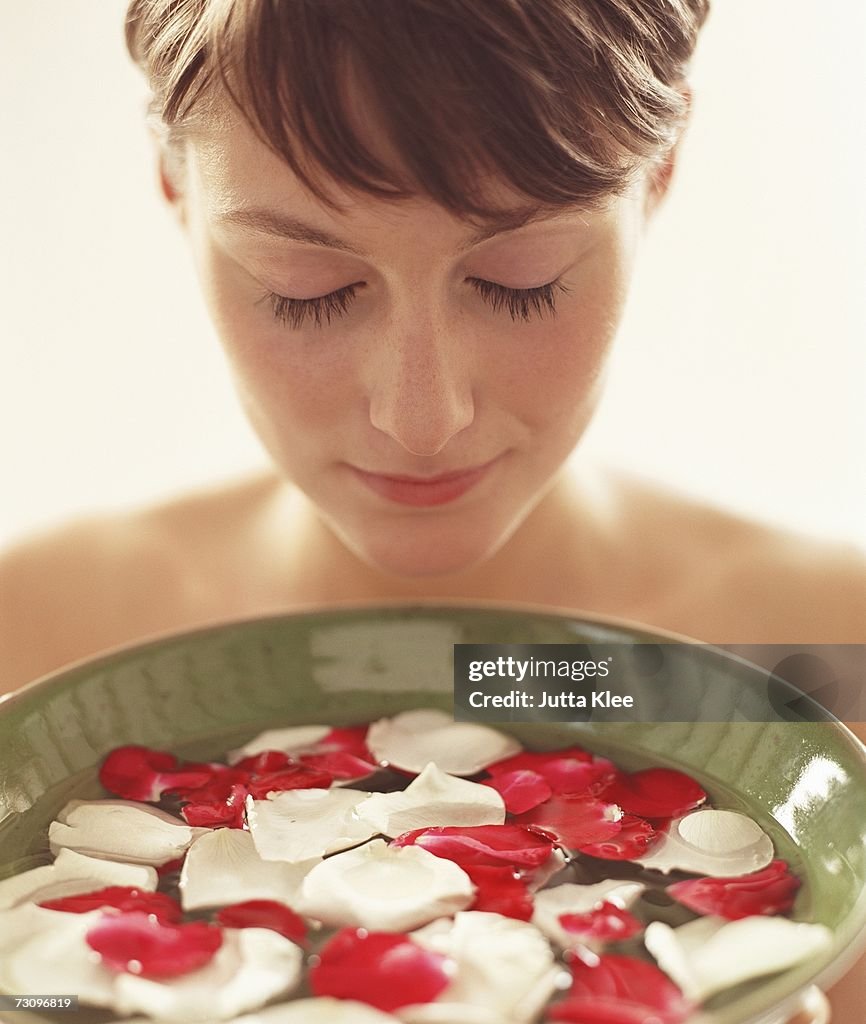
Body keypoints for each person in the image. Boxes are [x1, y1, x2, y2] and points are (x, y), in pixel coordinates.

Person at [0, 2, 862, 1019]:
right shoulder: (28, 639)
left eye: (516, 281)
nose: (421, 417)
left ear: (660, 170)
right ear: (175, 187)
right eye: (307, 288)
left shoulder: (827, 656)